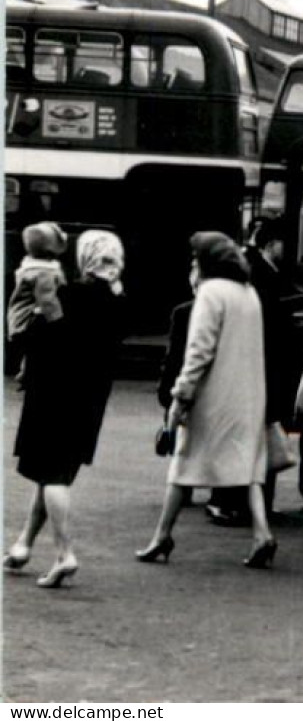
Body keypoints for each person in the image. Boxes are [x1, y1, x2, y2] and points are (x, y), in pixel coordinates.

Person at [138, 231, 277, 569]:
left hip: (212, 397)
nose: (192, 264)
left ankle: (162, 536)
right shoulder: (249, 293)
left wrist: (181, 394)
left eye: (195, 259)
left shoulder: (211, 293)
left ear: (207, 261)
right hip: (247, 397)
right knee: (248, 469)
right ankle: (262, 534)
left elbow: (199, 351)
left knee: (182, 463)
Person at [5, 230, 127, 588]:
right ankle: (23, 545)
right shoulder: (118, 301)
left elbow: (40, 335)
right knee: (53, 474)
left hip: (55, 395)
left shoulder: (71, 295)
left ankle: (64, 553)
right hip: (90, 398)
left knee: (52, 476)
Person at [207, 218, 297, 527]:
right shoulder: (262, 274)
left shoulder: (253, 269)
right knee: (257, 436)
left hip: (253, 366)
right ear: (272, 244)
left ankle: (236, 503)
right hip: (260, 368)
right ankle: (246, 507)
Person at [7, 221, 68, 384]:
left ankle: (25, 370)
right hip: (31, 318)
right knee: (42, 345)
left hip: (19, 317)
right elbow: (47, 300)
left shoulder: (30, 267)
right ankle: (29, 372)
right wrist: (59, 322)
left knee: (31, 348)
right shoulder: (44, 273)